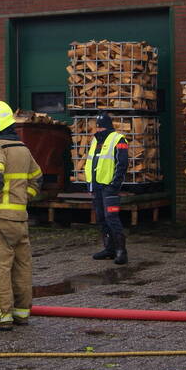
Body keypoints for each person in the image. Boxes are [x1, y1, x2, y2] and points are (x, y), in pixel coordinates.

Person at [0, 101, 43, 331]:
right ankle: (21, 313)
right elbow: (37, 179)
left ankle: (1, 317)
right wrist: (23, 198)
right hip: (19, 219)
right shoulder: (22, 148)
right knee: (22, 267)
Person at [85, 112, 130, 265]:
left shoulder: (118, 139)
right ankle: (109, 248)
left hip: (109, 188)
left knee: (112, 218)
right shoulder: (95, 141)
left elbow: (122, 164)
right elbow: (91, 163)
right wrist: (90, 184)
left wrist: (114, 184)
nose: (97, 130)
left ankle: (121, 251)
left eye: (100, 127)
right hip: (97, 186)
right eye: (97, 127)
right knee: (101, 218)